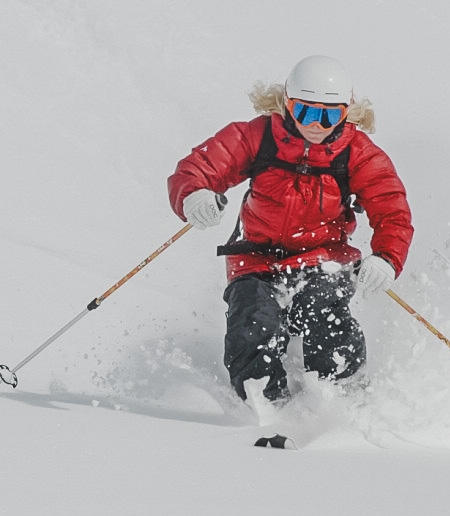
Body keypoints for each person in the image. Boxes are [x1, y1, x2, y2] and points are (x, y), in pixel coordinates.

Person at [167, 55, 413, 404]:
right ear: (286, 103)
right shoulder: (258, 136)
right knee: (253, 326)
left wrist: (387, 259)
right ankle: (265, 407)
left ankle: (341, 399)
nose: (317, 124)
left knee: (322, 311)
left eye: (331, 114)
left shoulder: (358, 153)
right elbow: (199, 167)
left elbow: (393, 211)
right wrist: (193, 195)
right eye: (306, 111)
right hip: (256, 260)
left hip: (323, 259)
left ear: (347, 111)